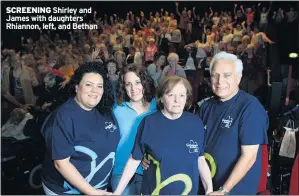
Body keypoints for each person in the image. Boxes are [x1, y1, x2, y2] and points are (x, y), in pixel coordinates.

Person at [113, 76, 213, 195]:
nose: (177, 100)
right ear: (161, 98)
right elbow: (134, 160)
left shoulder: (196, 123)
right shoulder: (148, 123)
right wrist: (117, 192)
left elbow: (200, 160)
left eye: (182, 95)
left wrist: (209, 190)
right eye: (171, 95)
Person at [40, 62, 119, 195]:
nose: (95, 91)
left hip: (99, 187)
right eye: (89, 85)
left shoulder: (105, 110)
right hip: (67, 190)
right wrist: (90, 191)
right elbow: (61, 164)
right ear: (76, 87)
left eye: (99, 86)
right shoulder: (64, 116)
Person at [199, 52, 268, 194]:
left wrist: (224, 190)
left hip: (234, 190)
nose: (219, 81)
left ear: (238, 78)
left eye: (226, 75)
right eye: (215, 75)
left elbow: (249, 157)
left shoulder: (250, 107)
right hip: (207, 187)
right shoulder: (206, 106)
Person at [111, 63, 156, 195]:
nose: (133, 88)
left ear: (145, 83)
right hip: (121, 169)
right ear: (123, 87)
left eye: (137, 82)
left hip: (147, 171)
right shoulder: (117, 109)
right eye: (128, 84)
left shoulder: (156, 107)